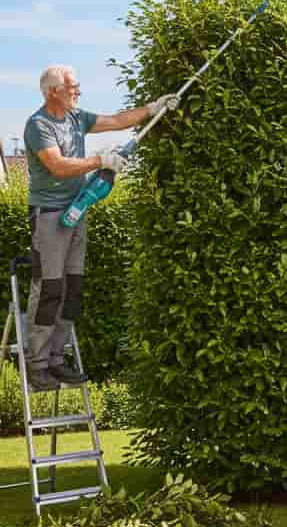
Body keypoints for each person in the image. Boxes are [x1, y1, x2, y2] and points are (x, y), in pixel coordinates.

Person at [22, 64, 177, 392]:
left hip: (77, 212)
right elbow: (57, 166)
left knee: (73, 288)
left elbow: (117, 120)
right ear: (53, 92)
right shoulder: (39, 125)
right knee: (49, 289)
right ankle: (36, 365)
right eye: (72, 87)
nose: (78, 91)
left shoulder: (77, 118)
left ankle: (56, 359)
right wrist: (99, 161)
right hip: (49, 216)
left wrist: (153, 108)